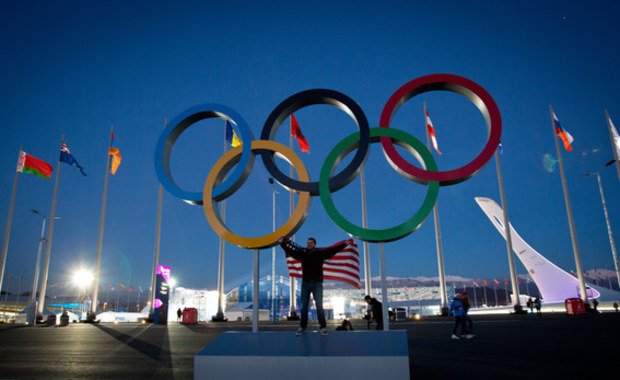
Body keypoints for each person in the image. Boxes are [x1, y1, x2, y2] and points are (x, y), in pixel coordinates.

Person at [279, 236, 349, 336]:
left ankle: (323, 327)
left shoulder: (320, 253)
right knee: (303, 307)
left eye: (311, 243)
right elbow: (291, 251)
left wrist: (344, 244)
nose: (309, 244)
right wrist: (282, 243)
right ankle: (302, 327)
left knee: (319, 307)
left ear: (314, 244)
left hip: (317, 284)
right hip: (306, 283)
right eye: (308, 243)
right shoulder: (303, 253)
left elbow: (332, 251)